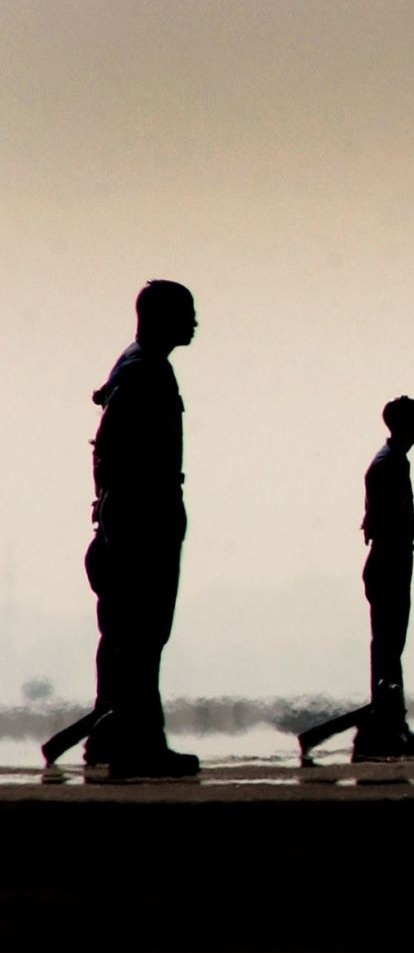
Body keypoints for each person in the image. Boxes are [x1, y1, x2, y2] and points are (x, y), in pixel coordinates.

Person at [83, 280, 202, 777]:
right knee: (141, 634)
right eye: (186, 313)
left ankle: (112, 736)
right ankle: (138, 743)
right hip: (141, 521)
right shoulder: (143, 372)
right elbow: (112, 450)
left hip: (136, 515)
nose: (195, 323)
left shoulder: (141, 367)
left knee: (127, 636)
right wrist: (123, 515)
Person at [354, 396, 414, 759]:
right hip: (389, 561)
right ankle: (386, 724)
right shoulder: (388, 466)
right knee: (387, 646)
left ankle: (392, 722)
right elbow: (384, 521)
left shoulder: (394, 463)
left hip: (394, 560)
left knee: (391, 646)